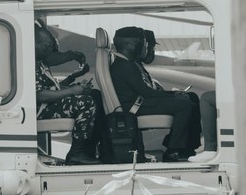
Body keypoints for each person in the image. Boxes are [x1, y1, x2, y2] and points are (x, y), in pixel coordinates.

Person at [110, 26, 201, 162]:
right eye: (141, 44)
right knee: (184, 105)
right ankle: (173, 150)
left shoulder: (130, 63)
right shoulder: (124, 65)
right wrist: (173, 95)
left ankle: (188, 148)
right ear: (128, 45)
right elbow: (146, 93)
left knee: (191, 97)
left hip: (140, 102)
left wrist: (173, 94)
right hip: (135, 107)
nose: (144, 48)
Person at [34, 25, 100, 165]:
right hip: (40, 110)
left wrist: (77, 88)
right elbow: (38, 95)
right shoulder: (30, 64)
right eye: (46, 46)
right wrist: (71, 91)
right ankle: (76, 153)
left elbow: (53, 87)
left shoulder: (39, 62)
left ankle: (88, 149)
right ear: (34, 44)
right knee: (86, 102)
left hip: (47, 107)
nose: (49, 50)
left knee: (94, 95)